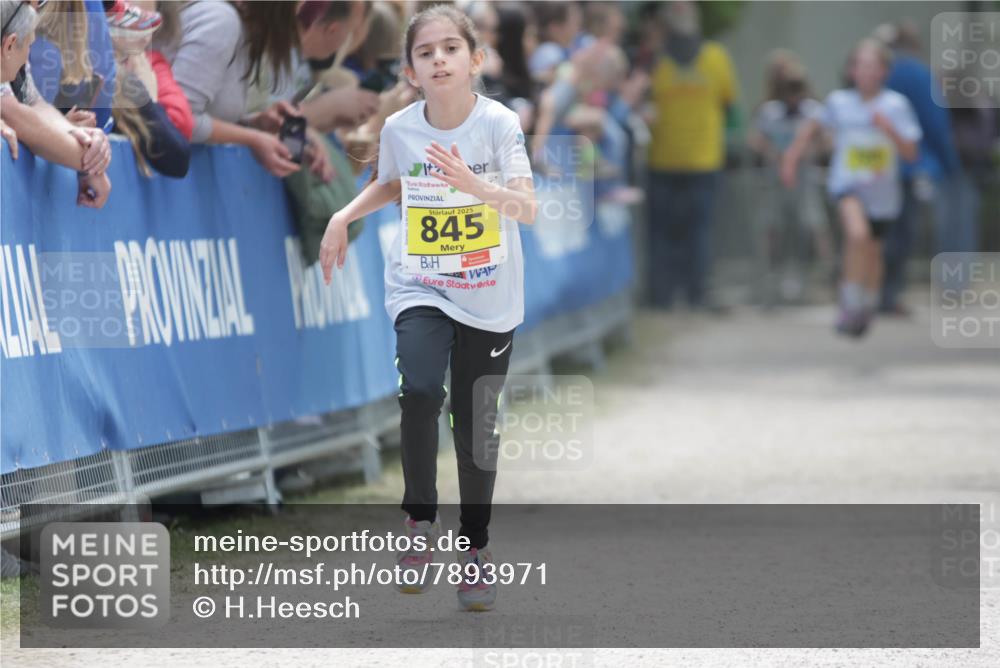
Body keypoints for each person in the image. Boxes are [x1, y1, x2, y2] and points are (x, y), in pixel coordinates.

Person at [318, 4, 537, 612]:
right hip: (422, 283)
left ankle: (475, 550)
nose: (438, 59)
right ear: (410, 70)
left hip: (490, 298)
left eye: (449, 49)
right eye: (425, 52)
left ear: (475, 60)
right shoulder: (401, 129)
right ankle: (419, 526)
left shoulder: (499, 125)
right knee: (418, 390)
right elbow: (394, 182)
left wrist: (476, 187)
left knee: (476, 430)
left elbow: (527, 207)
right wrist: (343, 214)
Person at [782, 39, 920, 338]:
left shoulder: (895, 105)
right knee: (857, 236)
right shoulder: (839, 102)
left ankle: (866, 305)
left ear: (884, 71)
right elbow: (812, 128)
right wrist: (792, 158)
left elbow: (911, 153)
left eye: (872, 65)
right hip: (848, 185)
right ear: (852, 70)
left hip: (882, 194)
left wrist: (889, 130)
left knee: (873, 250)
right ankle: (850, 303)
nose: (865, 71)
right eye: (860, 65)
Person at [646, 0, 740, 310]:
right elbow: (730, 106)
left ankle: (664, 295)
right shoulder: (715, 58)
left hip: (666, 159)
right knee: (697, 231)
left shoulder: (656, 61)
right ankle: (695, 293)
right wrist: (732, 143)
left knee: (666, 232)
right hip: (700, 159)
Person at [1, 0, 111, 207]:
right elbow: (12, 113)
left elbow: (34, 102)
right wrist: (90, 160)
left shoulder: (13, 22)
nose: (35, 10)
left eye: (41, 3)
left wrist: (75, 133)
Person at [748, 52, 831, 306]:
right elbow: (755, 138)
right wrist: (772, 152)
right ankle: (768, 279)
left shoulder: (813, 111)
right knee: (771, 227)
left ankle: (824, 278)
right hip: (775, 180)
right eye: (788, 88)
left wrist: (809, 151)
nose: (793, 94)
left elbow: (828, 141)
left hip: (805, 180)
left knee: (814, 225)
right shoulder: (770, 112)